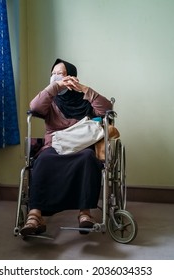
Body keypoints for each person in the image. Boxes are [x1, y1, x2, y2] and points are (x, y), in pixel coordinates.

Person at [20, 58, 113, 236]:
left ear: (72, 77)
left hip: (81, 144)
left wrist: (85, 90)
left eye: (60, 74)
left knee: (87, 158)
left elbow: (107, 110)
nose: (55, 77)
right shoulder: (50, 98)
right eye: (53, 74)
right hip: (54, 144)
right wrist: (55, 87)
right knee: (44, 160)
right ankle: (35, 215)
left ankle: (85, 213)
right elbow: (34, 107)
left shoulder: (84, 99)